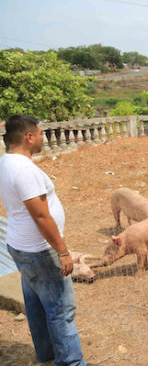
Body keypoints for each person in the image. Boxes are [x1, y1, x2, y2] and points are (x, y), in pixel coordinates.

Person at [0, 114, 88, 366]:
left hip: (20, 247)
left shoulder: (6, 161)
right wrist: (62, 251)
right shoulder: (24, 169)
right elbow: (40, 215)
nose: (43, 138)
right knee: (61, 310)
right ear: (29, 137)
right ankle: (70, 362)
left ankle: (47, 357)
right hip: (40, 252)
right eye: (40, 133)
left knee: (37, 304)